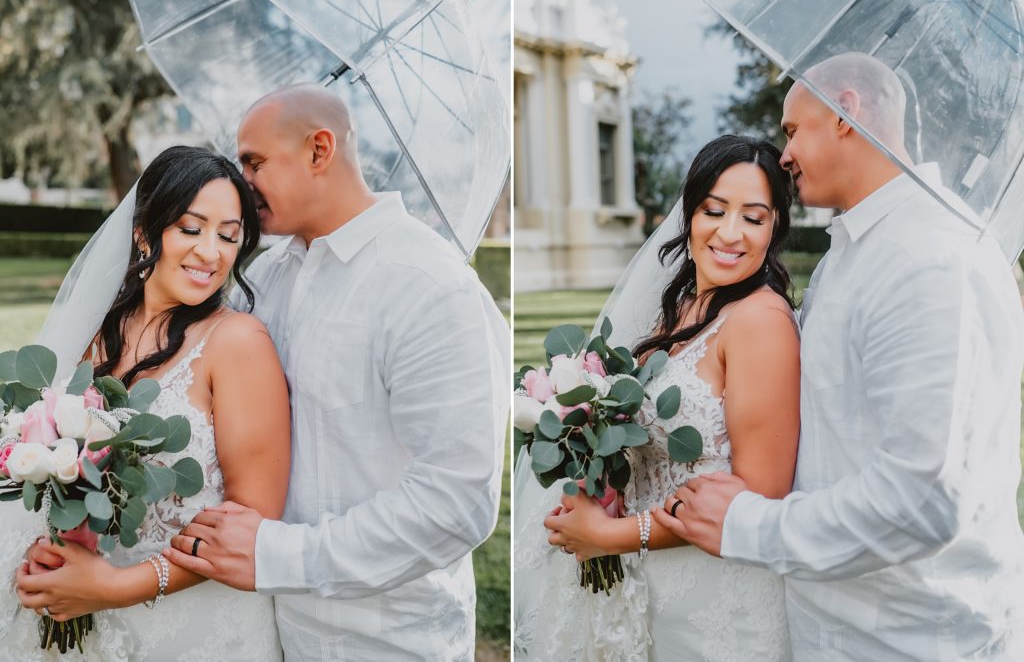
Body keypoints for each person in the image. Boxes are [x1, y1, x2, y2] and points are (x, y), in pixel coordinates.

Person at [658, 53, 1024, 660]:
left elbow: (925, 498)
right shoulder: (853, 253)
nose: (784, 154)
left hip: (911, 635)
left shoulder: (931, 259)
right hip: (832, 622)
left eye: (793, 129)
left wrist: (751, 526)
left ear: (846, 112)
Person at [160, 85, 508, 660]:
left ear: (320, 150)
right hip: (268, 628)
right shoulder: (266, 277)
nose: (241, 182)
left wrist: (280, 556)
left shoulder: (427, 284)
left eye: (254, 162)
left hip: (391, 638)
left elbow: (458, 499)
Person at [514, 135, 801, 661]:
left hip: (717, 602)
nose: (730, 233)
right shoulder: (681, 305)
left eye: (754, 218)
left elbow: (758, 495)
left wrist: (611, 534)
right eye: (715, 210)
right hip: (649, 588)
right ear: (689, 213)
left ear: (776, 226)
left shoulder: (762, 322)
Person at [3, 145, 291, 661]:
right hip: (85, 621)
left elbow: (252, 523)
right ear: (144, 231)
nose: (211, 252)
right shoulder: (97, 331)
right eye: (190, 227)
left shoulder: (237, 343)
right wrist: (52, 555)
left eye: (229, 235)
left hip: (193, 629)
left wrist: (116, 587)